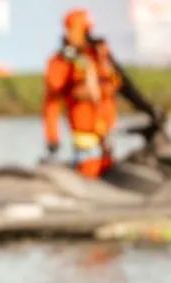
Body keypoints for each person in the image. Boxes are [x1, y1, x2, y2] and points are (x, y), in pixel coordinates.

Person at [43, 8, 123, 178]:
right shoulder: (61, 61)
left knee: (111, 176)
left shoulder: (98, 55)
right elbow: (52, 101)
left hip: (106, 135)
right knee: (88, 173)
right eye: (70, 30)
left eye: (78, 30)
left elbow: (116, 83)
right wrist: (52, 137)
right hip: (85, 137)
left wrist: (103, 65)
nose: (72, 35)